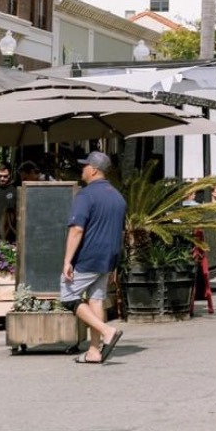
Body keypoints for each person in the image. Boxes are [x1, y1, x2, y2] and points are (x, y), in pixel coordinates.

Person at [62, 151, 126, 365]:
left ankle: (107, 331)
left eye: (85, 166)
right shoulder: (117, 196)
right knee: (96, 299)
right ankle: (94, 351)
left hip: (88, 256)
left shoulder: (86, 195)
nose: (82, 169)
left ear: (94, 170)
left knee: (68, 296)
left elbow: (76, 230)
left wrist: (67, 261)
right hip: (109, 257)